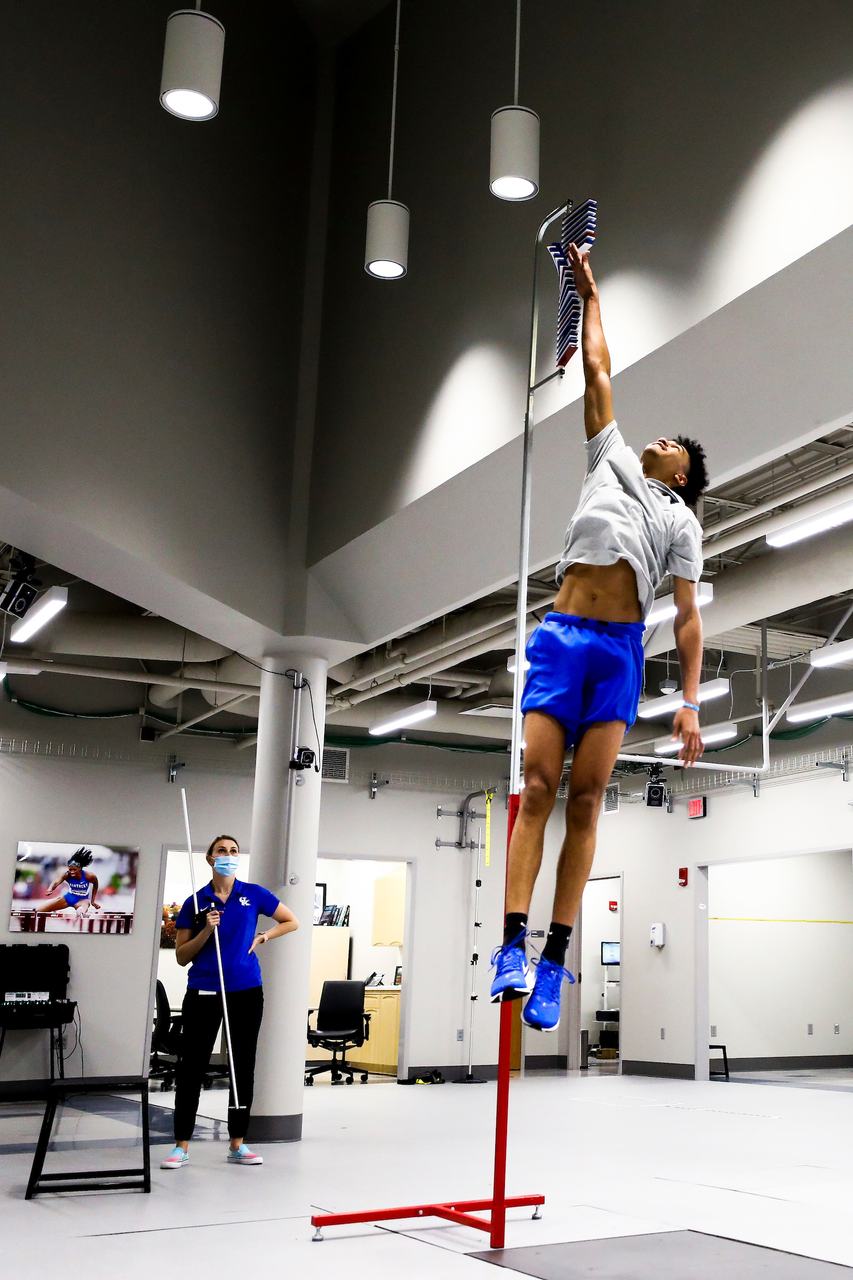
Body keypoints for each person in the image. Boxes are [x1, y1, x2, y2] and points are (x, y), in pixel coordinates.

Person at [490, 242, 709, 1032]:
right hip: (559, 635)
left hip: (619, 652)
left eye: (674, 444)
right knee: (537, 790)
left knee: (585, 800)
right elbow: (599, 374)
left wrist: (687, 703)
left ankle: (553, 960)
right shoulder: (608, 459)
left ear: (682, 473)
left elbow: (685, 617)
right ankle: (509, 947)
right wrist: (587, 297)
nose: (659, 438)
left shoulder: (682, 522)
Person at [160, 834, 297, 1170]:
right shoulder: (196, 901)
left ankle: (238, 1143)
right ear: (210, 858)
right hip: (204, 991)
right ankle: (181, 1146)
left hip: (246, 990)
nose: (228, 855)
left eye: (234, 851)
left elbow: (291, 920)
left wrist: (263, 936)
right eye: (222, 851)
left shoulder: (253, 894)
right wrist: (206, 931)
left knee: (241, 1067)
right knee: (192, 1067)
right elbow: (181, 956)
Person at [37, 848, 101, 916]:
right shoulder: (66, 875)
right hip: (68, 898)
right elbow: (56, 882)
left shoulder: (90, 876)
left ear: (80, 868)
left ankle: (81, 913)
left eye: (74, 869)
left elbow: (96, 885)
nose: (72, 872)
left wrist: (93, 901)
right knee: (40, 910)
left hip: (82, 900)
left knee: (82, 910)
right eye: (70, 869)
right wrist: (50, 889)